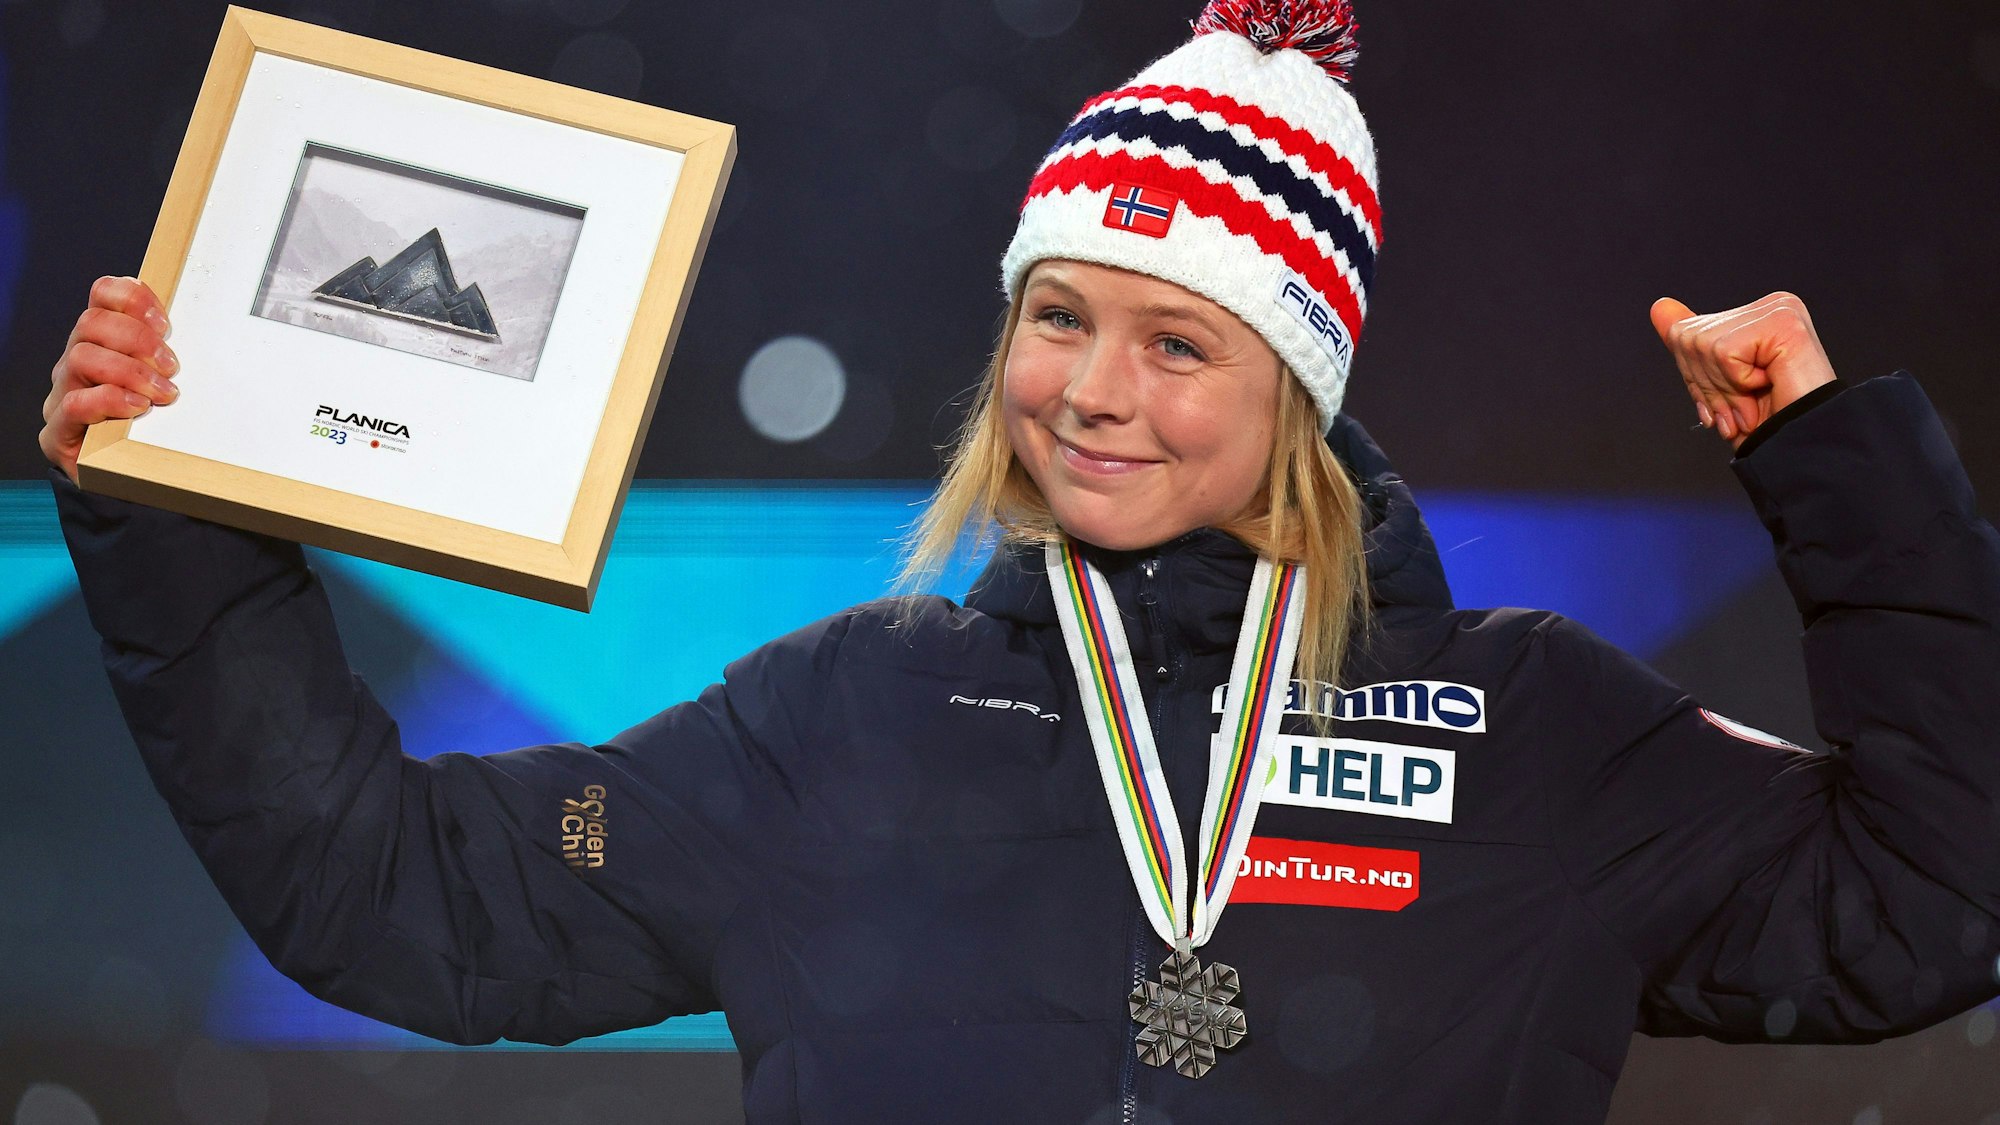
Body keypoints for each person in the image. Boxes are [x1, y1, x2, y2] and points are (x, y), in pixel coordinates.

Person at [36, 1, 2000, 1122]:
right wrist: (175, 494)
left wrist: (1836, 469)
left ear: (1297, 389)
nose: (1093, 392)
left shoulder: (1537, 729)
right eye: (1056, 316)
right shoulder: (842, 716)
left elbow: (1932, 899)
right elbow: (391, 891)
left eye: (1178, 341)